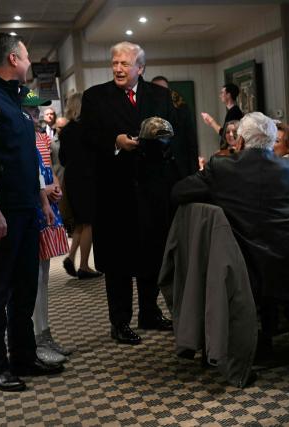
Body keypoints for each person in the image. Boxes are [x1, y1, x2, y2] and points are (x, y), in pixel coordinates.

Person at [172, 112, 289, 368]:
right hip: (288, 266)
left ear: (239, 141)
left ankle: (245, 343)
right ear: (272, 141)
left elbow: (178, 192)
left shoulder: (221, 168)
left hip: (241, 268)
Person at [0, 33, 64, 392]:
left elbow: (29, 156)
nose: (30, 60)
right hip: (0, 210)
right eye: (25, 55)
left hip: (25, 206)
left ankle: (23, 356)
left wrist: (44, 202)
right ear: (12, 59)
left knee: (24, 289)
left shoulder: (18, 99)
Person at [80, 41, 184, 345]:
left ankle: (150, 312)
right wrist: (116, 141)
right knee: (118, 262)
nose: (118, 69)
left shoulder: (160, 96)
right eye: (114, 63)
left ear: (140, 67)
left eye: (125, 64)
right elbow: (87, 139)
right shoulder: (95, 97)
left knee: (152, 254)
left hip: (153, 190)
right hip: (115, 192)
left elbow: (174, 136)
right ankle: (120, 322)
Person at [21, 91, 72, 364]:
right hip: (33, 208)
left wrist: (54, 190)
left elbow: (46, 168)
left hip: (46, 208)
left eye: (37, 109)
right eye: (30, 109)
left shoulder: (39, 135)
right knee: (33, 280)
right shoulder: (21, 134)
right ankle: (36, 338)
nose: (36, 113)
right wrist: (45, 191)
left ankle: (44, 334)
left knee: (42, 276)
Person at [59, 93, 101, 279]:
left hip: (71, 176)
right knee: (89, 222)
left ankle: (71, 257)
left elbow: (62, 158)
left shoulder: (66, 130)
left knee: (79, 222)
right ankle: (84, 266)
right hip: (87, 177)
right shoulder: (88, 128)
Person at [150, 75, 199, 178]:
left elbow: (191, 140)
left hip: (180, 166)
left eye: (164, 90)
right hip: (155, 170)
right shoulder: (146, 111)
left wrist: (194, 169)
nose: (161, 94)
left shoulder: (181, 110)